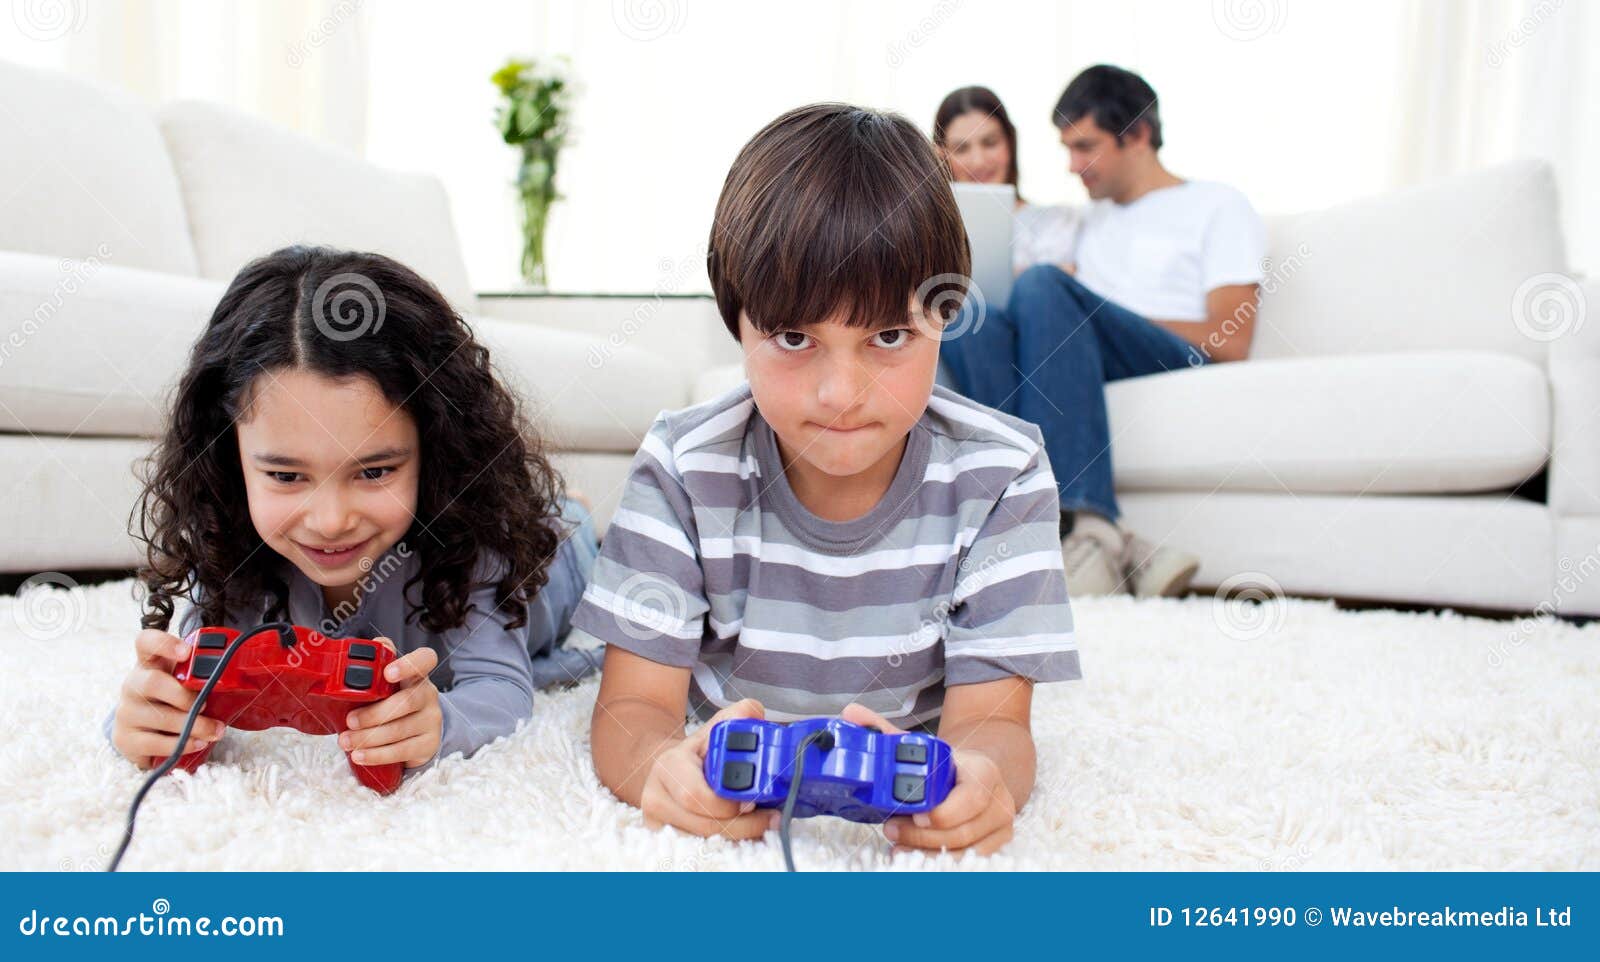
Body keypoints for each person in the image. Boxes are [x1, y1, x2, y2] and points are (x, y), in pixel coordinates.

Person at [572, 103, 1081, 856]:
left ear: (945, 317)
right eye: (793, 337)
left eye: (888, 336)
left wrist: (981, 778)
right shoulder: (685, 464)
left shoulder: (1003, 474)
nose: (842, 393)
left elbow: (995, 724)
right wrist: (657, 767)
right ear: (736, 322)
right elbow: (633, 706)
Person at [106, 246, 599, 775]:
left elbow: (501, 689)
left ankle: (578, 516)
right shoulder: (231, 546)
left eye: (373, 472)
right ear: (228, 463)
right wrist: (141, 720)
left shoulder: (476, 540)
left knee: (570, 531)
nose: (331, 520)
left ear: (436, 453)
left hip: (557, 559)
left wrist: (440, 722)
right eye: (286, 476)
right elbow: (185, 687)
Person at [939, 65, 1267, 597]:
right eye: (1065, 148)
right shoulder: (1088, 221)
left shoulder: (1215, 203)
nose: (1071, 166)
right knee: (970, 316)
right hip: (1090, 352)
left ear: (1136, 135)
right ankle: (1100, 539)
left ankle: (1079, 516)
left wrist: (1092, 311)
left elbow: (1230, 340)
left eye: (1084, 146)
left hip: (1173, 352)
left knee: (1045, 286)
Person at [933, 84, 1079, 274]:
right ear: (942, 156)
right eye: (961, 149)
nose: (978, 161)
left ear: (1010, 143)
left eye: (990, 143)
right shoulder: (929, 234)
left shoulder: (1054, 222)